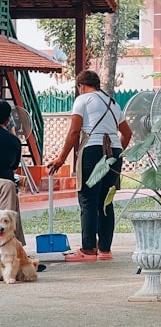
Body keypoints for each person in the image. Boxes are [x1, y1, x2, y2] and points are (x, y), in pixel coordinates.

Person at [46, 69, 131, 262]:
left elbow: (75, 131)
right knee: (105, 201)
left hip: (93, 151)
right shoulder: (113, 103)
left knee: (88, 200)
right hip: (115, 153)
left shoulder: (82, 100)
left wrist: (61, 158)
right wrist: (116, 151)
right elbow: (127, 133)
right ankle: (105, 250)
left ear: (81, 86)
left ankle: (88, 249)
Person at [0, 100, 42, 270]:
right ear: (8, 119)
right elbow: (14, 165)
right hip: (4, 186)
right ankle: (16, 252)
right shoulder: (13, 141)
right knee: (10, 213)